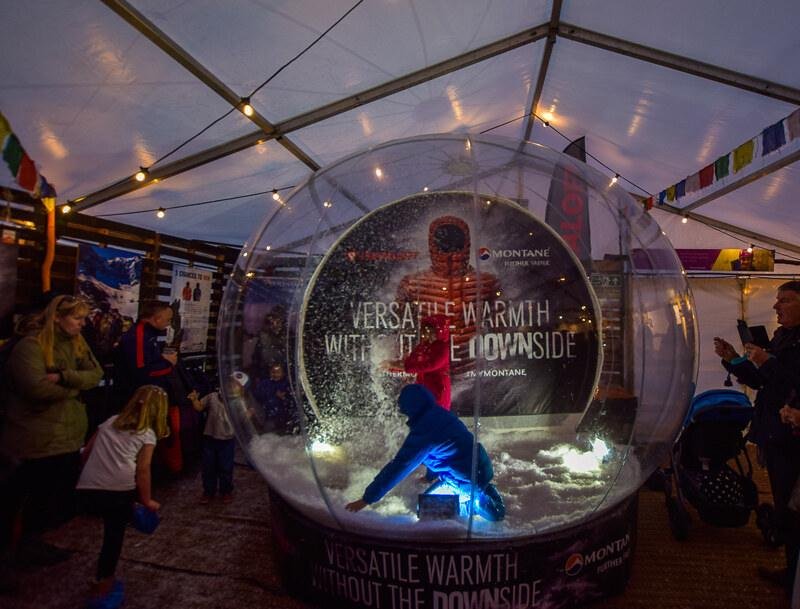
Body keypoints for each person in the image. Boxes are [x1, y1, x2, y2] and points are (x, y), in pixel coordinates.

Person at [0, 295, 103, 566]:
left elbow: (96, 374)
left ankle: (30, 547)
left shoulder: (77, 344)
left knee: (44, 499)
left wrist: (65, 377)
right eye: (77, 318)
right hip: (33, 440)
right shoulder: (29, 347)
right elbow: (36, 388)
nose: (83, 324)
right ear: (57, 317)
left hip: (64, 437)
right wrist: (76, 387)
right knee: (15, 501)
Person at [714, 280, 800, 591]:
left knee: (793, 509)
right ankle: (791, 574)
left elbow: (789, 382)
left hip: (793, 437)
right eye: (777, 300)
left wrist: (769, 363)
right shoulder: (782, 337)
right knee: (783, 504)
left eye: (785, 301)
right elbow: (764, 381)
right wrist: (734, 359)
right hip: (775, 434)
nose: (776, 307)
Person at [345, 384, 505, 521]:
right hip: (477, 468)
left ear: (411, 407)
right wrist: (430, 476)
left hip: (466, 480)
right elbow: (443, 452)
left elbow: (399, 466)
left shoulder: (424, 431)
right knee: (428, 504)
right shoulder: (439, 414)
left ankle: (476, 503)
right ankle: (482, 489)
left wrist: (366, 499)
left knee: (427, 509)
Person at [77, 385, 169, 609]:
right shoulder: (147, 433)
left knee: (117, 519)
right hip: (118, 491)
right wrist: (147, 501)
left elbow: (86, 452)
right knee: (113, 538)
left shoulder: (110, 421)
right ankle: (102, 585)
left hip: (88, 489)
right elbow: (143, 469)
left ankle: (103, 579)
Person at [384, 314, 452, 410]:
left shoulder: (442, 348)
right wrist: (390, 367)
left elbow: (429, 366)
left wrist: (397, 366)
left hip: (438, 391)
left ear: (438, 331)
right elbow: (409, 362)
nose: (425, 333)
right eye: (424, 329)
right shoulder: (423, 347)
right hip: (424, 390)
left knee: (436, 418)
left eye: (429, 330)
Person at [116, 301, 176, 397]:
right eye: (168, 320)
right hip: (138, 395)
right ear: (157, 319)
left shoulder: (148, 334)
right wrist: (168, 363)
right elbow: (141, 371)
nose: (169, 324)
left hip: (147, 392)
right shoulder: (138, 336)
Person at [189, 387, 236, 504]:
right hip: (210, 437)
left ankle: (226, 491)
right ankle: (209, 492)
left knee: (225, 467)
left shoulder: (237, 400)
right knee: (208, 467)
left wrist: (248, 414)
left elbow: (243, 418)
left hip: (227, 439)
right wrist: (194, 400)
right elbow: (199, 407)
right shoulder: (212, 396)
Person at [252, 363, 298, 434]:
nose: (275, 375)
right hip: (269, 416)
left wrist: (284, 397)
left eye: (278, 372)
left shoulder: (288, 384)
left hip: (285, 418)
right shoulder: (265, 383)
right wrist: (272, 393)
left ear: (283, 373)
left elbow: (293, 401)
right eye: (273, 372)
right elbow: (257, 395)